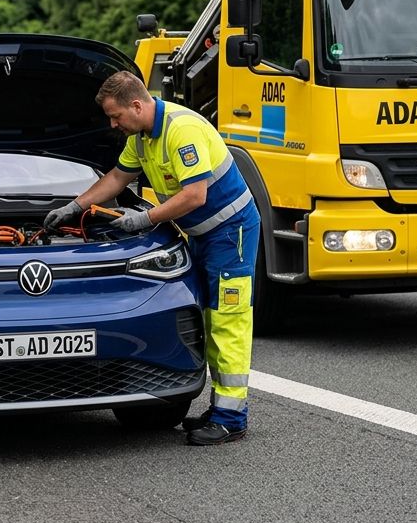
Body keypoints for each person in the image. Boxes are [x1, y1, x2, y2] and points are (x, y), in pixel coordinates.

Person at [45, 71, 261, 446]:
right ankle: (221, 409)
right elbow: (116, 178)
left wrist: (144, 218)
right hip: (203, 235)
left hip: (231, 233)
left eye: (116, 116)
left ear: (137, 105)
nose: (113, 124)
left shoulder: (181, 130)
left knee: (229, 321)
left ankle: (231, 419)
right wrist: (75, 205)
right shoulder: (143, 137)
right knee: (209, 319)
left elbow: (195, 196)